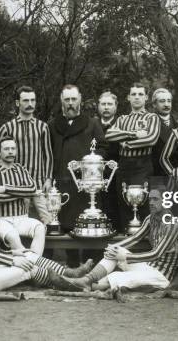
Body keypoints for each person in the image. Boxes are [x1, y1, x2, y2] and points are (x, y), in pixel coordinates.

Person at [48, 187, 178, 300]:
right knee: (115, 251)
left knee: (116, 276)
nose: (151, 203)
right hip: (147, 267)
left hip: (161, 276)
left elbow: (156, 254)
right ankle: (86, 280)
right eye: (150, 199)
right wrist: (116, 248)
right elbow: (135, 238)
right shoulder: (151, 219)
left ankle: (80, 284)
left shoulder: (172, 225)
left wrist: (125, 257)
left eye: (155, 199)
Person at [0, 192, 93, 293]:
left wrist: (14, 252)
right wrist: (12, 260)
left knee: (28, 255)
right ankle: (70, 283)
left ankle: (69, 273)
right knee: (27, 268)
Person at [49, 85, 105, 263]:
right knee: (66, 226)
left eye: (74, 99)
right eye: (67, 100)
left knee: (87, 224)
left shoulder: (92, 123)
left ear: (80, 99)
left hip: (86, 185)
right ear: (61, 101)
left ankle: (90, 264)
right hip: (62, 182)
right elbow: (48, 152)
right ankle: (72, 265)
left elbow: (103, 148)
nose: (71, 103)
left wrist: (90, 167)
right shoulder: (52, 125)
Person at [0, 86, 53, 223]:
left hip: (38, 184)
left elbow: (48, 154)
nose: (30, 104)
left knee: (48, 220)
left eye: (33, 100)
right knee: (21, 222)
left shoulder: (42, 126)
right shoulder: (9, 126)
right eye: (25, 101)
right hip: (17, 186)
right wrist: (4, 167)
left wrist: (48, 179)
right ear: (18, 103)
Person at [105, 83, 161, 230]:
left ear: (146, 98)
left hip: (142, 166)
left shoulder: (152, 117)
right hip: (123, 166)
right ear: (128, 98)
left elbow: (151, 139)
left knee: (142, 205)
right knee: (123, 205)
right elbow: (109, 134)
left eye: (140, 94)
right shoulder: (122, 119)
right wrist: (133, 134)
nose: (137, 97)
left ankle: (145, 247)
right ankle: (125, 245)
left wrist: (126, 144)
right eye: (134, 94)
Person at [0, 137, 47, 255]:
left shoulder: (21, 169)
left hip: (22, 218)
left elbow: (32, 189)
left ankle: (33, 263)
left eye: (13, 148)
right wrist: (22, 193)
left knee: (40, 227)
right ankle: (34, 266)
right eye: (6, 149)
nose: (10, 152)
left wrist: (6, 188)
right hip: (1, 220)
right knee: (13, 235)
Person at [94, 91, 121, 231]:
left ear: (115, 107)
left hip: (115, 175)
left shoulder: (121, 124)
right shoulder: (92, 124)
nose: (106, 107)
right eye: (103, 104)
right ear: (98, 106)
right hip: (95, 175)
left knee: (113, 210)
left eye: (109, 104)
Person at [151, 88, 178, 177]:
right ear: (154, 104)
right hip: (157, 173)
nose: (166, 104)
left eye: (169, 101)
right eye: (162, 101)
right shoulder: (150, 122)